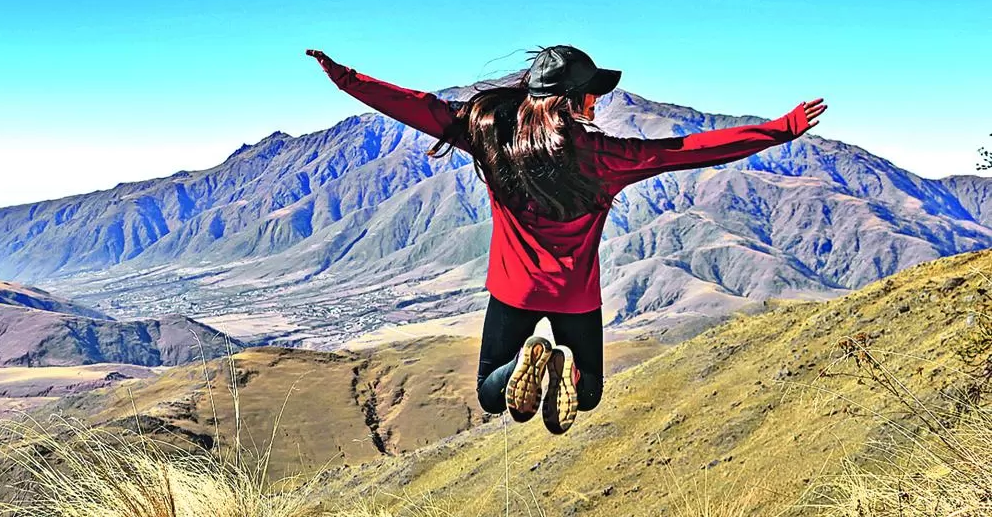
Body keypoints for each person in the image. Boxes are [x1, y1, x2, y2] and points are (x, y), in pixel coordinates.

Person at [306, 44, 826, 435]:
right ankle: (566, 366)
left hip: (513, 293)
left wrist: (346, 79)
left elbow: (416, 106)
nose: (598, 99)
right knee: (591, 394)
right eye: (593, 91)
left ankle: (524, 359)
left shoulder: (488, 134)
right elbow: (693, 148)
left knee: (492, 394)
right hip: (577, 297)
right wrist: (782, 128)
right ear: (577, 99)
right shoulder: (609, 157)